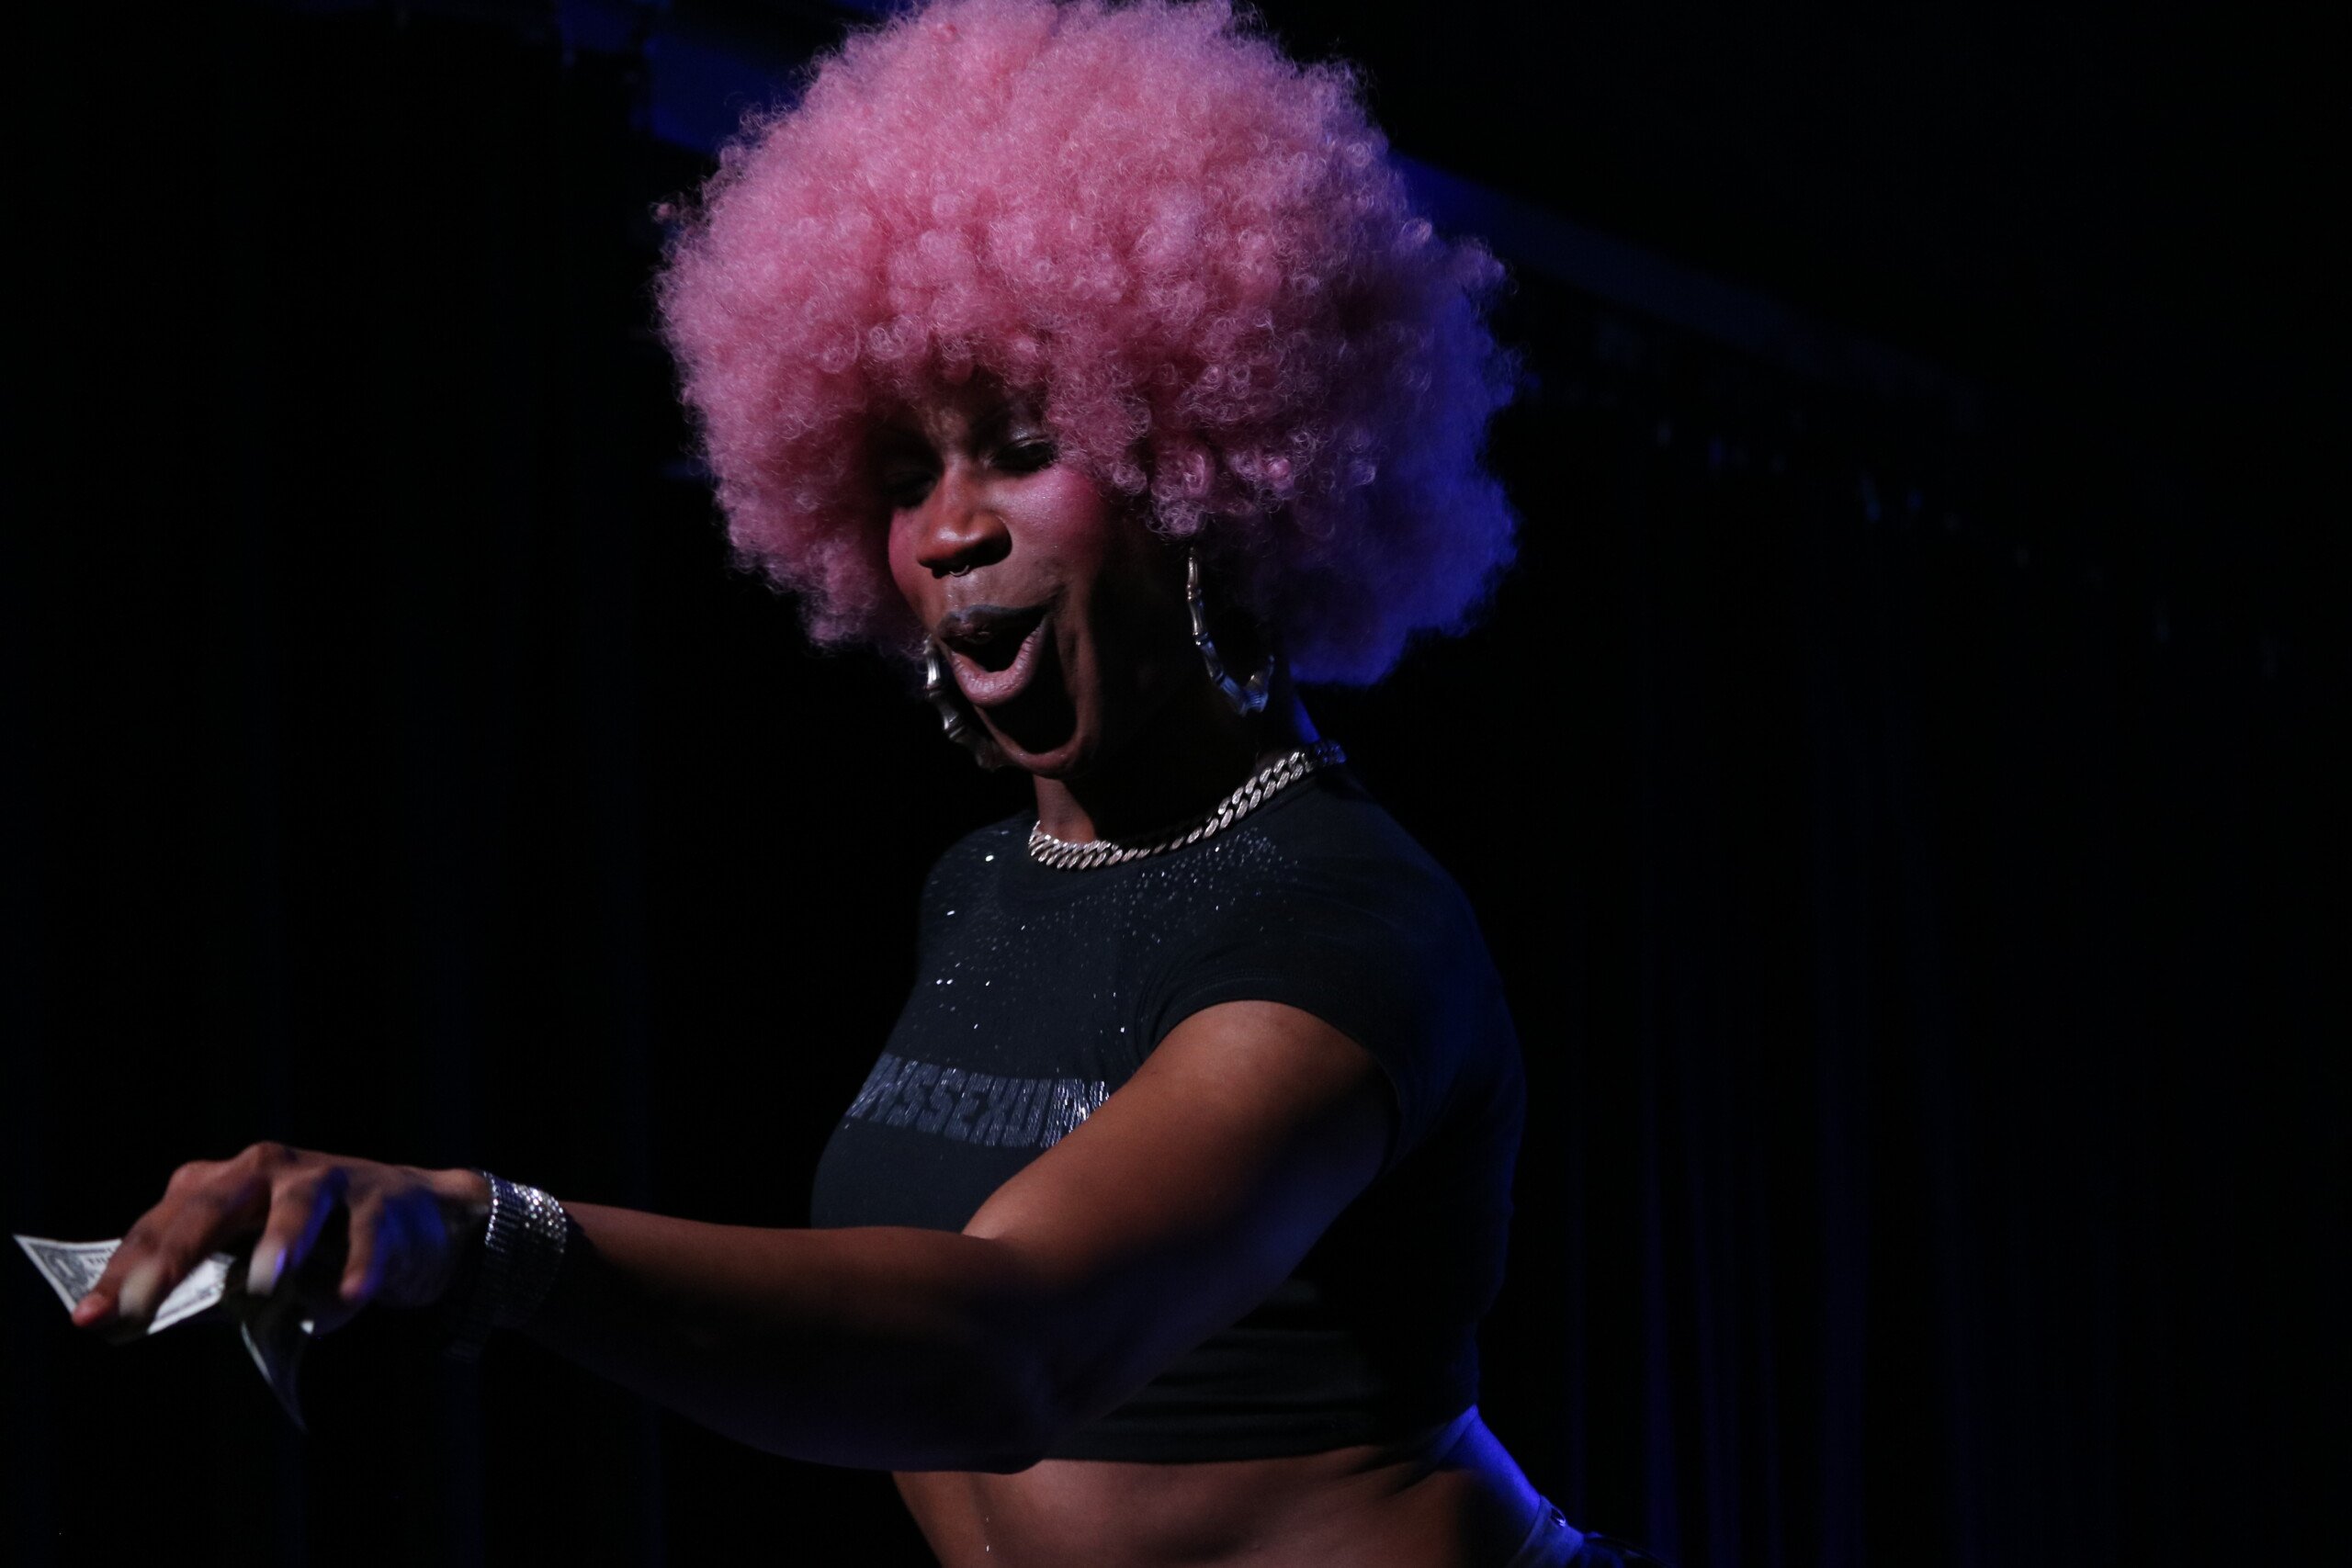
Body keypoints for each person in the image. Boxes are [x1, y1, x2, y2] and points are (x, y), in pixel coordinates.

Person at [73, 3, 1661, 1562]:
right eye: (905, 476)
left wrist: (493, 1239)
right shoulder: (980, 886)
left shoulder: (1353, 922)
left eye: (1023, 447)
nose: (950, 529)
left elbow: (1008, 1354)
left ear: (1207, 477)